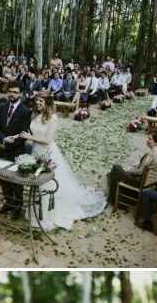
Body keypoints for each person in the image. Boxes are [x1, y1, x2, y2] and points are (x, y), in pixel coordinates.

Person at [19, 95, 106, 230]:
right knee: (36, 180)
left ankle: (47, 214)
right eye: (37, 100)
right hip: (36, 152)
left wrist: (30, 137)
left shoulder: (53, 118)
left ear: (47, 103)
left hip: (47, 153)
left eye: (41, 101)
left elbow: (48, 140)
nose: (37, 103)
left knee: (47, 183)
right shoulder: (35, 115)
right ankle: (36, 209)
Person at [0, 86, 32, 216]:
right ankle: (8, 203)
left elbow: (23, 134)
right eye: (10, 91)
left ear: (20, 94)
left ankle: (18, 207)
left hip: (16, 151)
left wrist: (9, 144)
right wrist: (3, 139)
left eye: (15, 92)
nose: (12, 94)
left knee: (16, 181)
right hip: (2, 148)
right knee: (4, 178)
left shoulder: (25, 111)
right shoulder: (3, 106)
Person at [107, 131, 157, 206]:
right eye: (148, 138)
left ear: (156, 143)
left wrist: (129, 171)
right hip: (146, 181)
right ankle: (115, 198)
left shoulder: (152, 154)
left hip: (139, 181)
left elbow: (140, 172)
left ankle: (113, 199)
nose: (147, 140)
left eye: (150, 139)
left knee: (116, 168)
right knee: (111, 174)